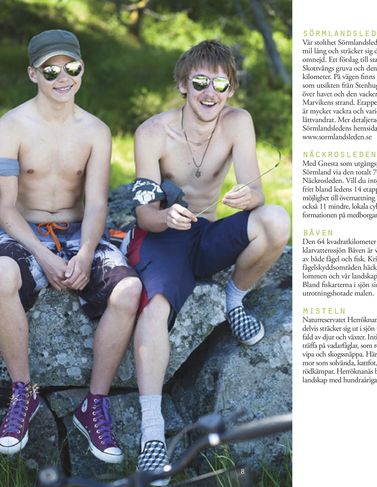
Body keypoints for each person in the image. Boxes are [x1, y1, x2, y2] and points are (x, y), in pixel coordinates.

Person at [127, 39, 289, 480]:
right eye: (200, 82)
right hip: (164, 236)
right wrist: (164, 216)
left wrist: (248, 195)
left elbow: (255, 190)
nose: (209, 92)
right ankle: (153, 432)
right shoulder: (152, 132)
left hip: (208, 232)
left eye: (220, 83)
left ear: (231, 88)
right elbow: (142, 211)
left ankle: (234, 301)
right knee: (155, 306)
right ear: (183, 84)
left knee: (275, 220)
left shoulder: (238, 123)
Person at [0, 29, 141, 464]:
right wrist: (43, 255)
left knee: (129, 290)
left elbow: (98, 202)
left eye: (72, 67)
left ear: (82, 69)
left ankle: (94, 404)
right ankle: (23, 394)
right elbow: (4, 208)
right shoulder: (10, 126)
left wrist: (83, 254)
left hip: (79, 233)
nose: (63, 77)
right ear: (33, 74)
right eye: (51, 70)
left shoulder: (96, 130)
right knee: (1, 274)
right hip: (24, 232)